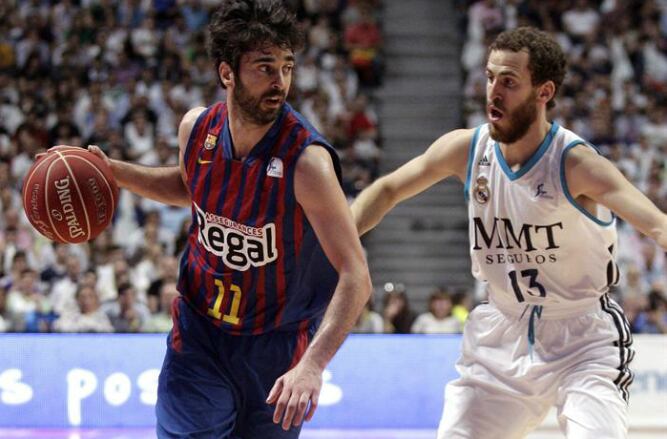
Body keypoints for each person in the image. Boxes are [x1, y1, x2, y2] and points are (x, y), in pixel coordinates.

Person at [57, 1, 371, 437]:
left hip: (277, 343)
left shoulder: (307, 163)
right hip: (200, 329)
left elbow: (355, 273)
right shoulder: (196, 128)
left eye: (286, 67)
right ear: (227, 73)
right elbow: (190, 186)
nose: (279, 81)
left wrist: (313, 365)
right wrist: (115, 172)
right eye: (264, 67)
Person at [352, 26, 667, 439]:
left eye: (509, 81)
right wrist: (333, 239)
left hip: (582, 339)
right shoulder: (466, 149)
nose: (493, 92)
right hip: (499, 333)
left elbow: (658, 224)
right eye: (489, 77)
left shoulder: (576, 164)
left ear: (544, 92)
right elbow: (388, 188)